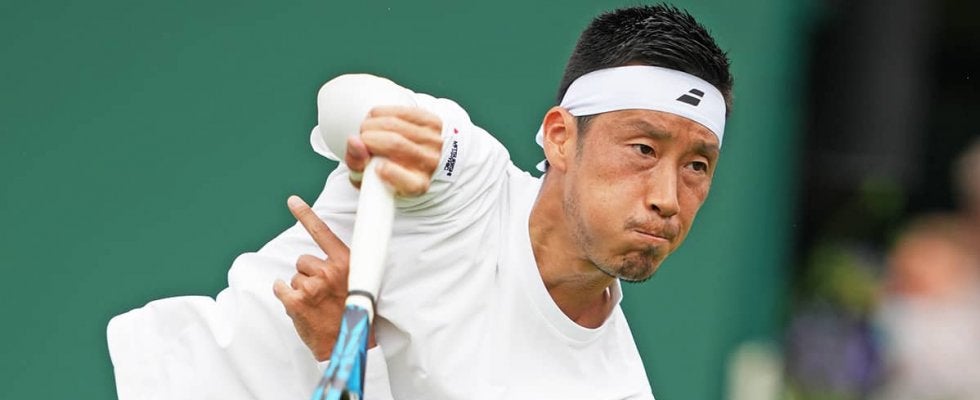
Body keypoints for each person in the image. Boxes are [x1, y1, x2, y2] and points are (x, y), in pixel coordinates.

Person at [107, 4, 734, 399]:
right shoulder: (465, 177)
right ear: (560, 137)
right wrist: (381, 124)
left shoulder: (617, 390)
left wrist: (344, 350)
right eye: (643, 149)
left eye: (696, 166)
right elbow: (349, 102)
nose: (667, 198)